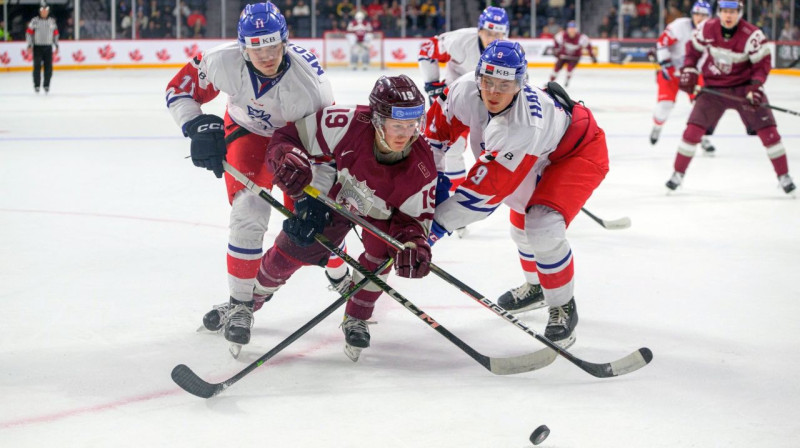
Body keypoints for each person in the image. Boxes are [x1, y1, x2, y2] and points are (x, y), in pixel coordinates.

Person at [165, 2, 347, 347]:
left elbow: (325, 152)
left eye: (273, 46)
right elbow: (179, 91)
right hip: (247, 134)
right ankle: (240, 304)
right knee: (248, 211)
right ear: (242, 46)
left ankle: (340, 272)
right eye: (255, 47)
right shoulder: (221, 60)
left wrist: (318, 200)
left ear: (285, 42)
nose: (265, 55)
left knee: (316, 221)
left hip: (298, 142)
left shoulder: (311, 89)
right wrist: (195, 124)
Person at [425, 40, 609, 348]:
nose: (493, 92)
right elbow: (434, 137)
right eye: (487, 81)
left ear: (521, 84)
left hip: (578, 150)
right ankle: (536, 287)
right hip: (540, 148)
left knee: (542, 226)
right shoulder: (463, 90)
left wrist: (430, 229)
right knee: (522, 228)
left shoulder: (522, 125)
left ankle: (563, 305)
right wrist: (421, 190)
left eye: (504, 84)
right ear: (477, 76)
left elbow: (482, 195)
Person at [250, 75, 436, 361]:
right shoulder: (347, 122)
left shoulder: (422, 167)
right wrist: (287, 157)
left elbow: (412, 222)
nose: (406, 134)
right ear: (377, 120)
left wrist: (413, 245)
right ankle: (250, 298)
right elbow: (288, 138)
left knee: (386, 253)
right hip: (337, 192)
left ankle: (357, 316)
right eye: (397, 125)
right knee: (296, 245)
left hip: (381, 213)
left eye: (412, 125)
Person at [668, 0, 795, 194]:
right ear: (719, 12)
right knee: (692, 132)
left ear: (740, 12)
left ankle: (784, 176)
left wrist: (756, 86)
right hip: (714, 89)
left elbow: (762, 64)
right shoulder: (707, 28)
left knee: (770, 133)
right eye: (725, 11)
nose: (728, 16)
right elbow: (693, 51)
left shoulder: (752, 35)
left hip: (744, 90)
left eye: (733, 12)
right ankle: (677, 174)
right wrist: (690, 69)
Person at [418, 6, 509, 191]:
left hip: (488, 105)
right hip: (456, 99)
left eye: (498, 34)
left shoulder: (511, 53)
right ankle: (450, 197)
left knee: (494, 151)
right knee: (450, 149)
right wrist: (432, 84)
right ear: (480, 30)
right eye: (489, 32)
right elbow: (427, 49)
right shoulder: (459, 41)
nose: (493, 38)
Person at [649, 1, 715, 154]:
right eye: (697, 14)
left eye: (704, 15)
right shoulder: (679, 26)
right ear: (692, 14)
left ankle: (704, 138)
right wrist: (665, 65)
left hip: (693, 73)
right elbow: (662, 43)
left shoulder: (711, 32)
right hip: (671, 73)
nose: (700, 18)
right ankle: (657, 127)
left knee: (702, 106)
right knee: (664, 106)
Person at [549, 21, 596, 88]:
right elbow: (556, 41)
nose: (572, 31)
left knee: (569, 69)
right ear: (568, 29)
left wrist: (592, 56)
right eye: (570, 29)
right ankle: (550, 82)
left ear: (576, 30)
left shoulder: (581, 38)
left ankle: (567, 79)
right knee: (556, 68)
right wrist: (556, 51)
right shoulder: (562, 35)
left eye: (573, 29)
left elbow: (588, 46)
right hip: (563, 56)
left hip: (575, 57)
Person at [26, 4, 59, 94]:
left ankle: (46, 85)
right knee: (37, 67)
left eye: (46, 10)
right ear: (40, 11)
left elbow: (55, 34)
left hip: (48, 47)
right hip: (37, 47)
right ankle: (37, 85)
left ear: (48, 11)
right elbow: (29, 33)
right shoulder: (35, 21)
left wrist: (56, 45)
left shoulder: (52, 21)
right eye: (42, 10)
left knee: (48, 68)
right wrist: (29, 45)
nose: (44, 12)